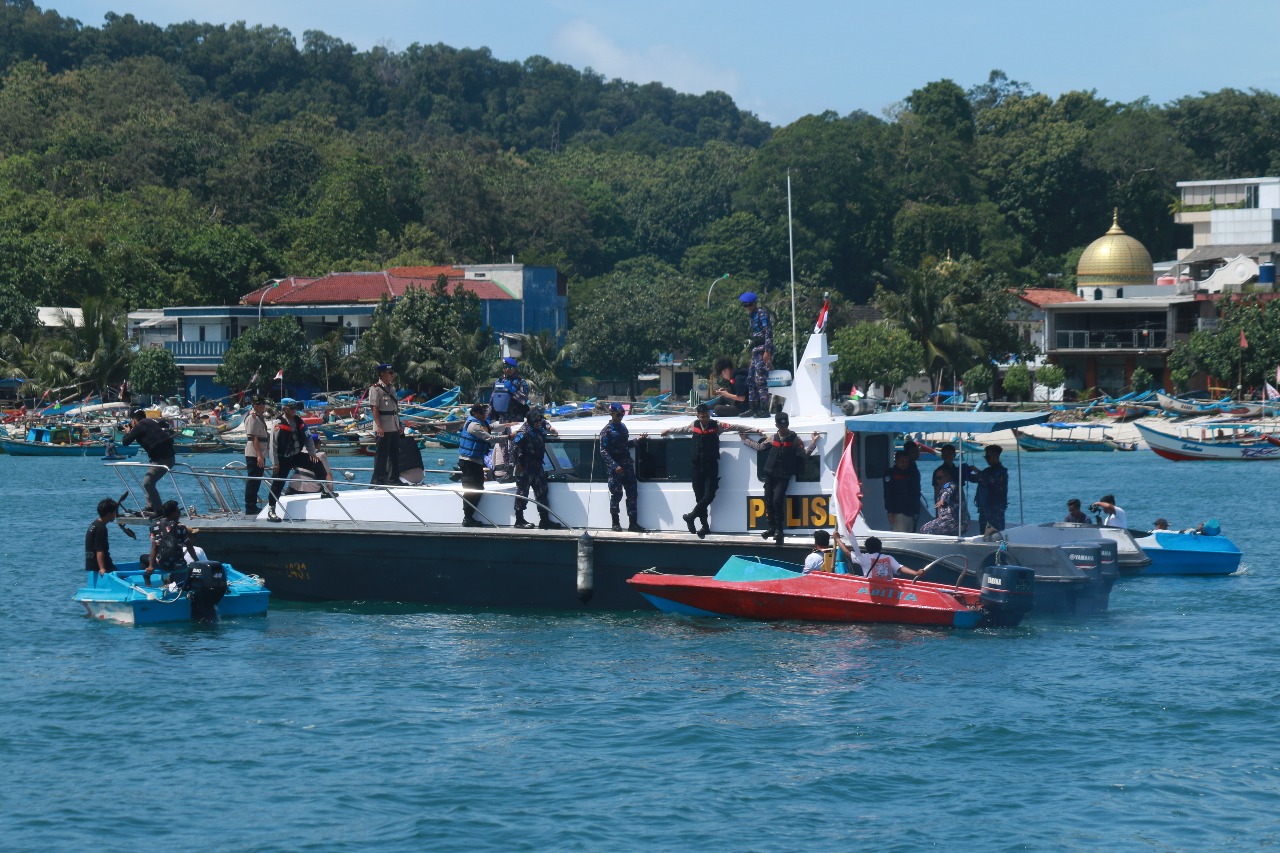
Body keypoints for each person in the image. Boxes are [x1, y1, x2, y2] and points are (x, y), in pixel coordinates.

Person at [661, 402, 751, 538]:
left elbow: (735, 426)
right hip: (696, 466)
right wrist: (669, 430)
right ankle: (704, 526)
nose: (705, 419)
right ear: (698, 416)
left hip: (710, 465)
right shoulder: (694, 425)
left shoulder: (717, 425)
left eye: (706, 416)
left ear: (709, 415)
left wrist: (755, 430)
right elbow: (682, 430)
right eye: (702, 417)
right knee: (699, 497)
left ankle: (691, 516)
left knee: (709, 495)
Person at [743, 412, 821, 545]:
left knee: (777, 501)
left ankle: (779, 530)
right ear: (777, 425)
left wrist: (813, 443)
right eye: (781, 426)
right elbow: (760, 447)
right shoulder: (772, 437)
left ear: (788, 425)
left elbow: (804, 455)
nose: (783, 428)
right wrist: (745, 439)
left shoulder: (795, 439)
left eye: (785, 426)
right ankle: (771, 528)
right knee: (768, 500)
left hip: (783, 476)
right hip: (770, 474)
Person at [267, 399, 325, 521]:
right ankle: (271, 509)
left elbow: (308, 438)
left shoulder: (299, 421)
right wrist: (275, 462)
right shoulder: (278, 423)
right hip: (283, 458)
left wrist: (312, 453)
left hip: (296, 456)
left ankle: (324, 490)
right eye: (291, 409)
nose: (294, 411)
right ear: (285, 409)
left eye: (295, 408)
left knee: (317, 464)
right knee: (277, 483)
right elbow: (273, 445)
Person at [458, 402, 509, 527]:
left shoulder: (481, 423)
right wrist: (509, 437)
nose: (484, 415)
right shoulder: (473, 426)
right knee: (471, 490)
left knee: (479, 488)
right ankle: (467, 518)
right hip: (468, 462)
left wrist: (507, 425)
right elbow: (489, 438)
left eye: (484, 412)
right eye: (481, 413)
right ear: (475, 413)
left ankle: (469, 516)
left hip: (476, 461)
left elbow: (492, 426)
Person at [511, 406, 562, 529]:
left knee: (542, 492)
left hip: (538, 466)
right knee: (523, 493)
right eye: (537, 421)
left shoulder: (539, 425)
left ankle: (544, 519)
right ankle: (519, 520)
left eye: (540, 421)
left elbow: (545, 422)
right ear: (531, 420)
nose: (539, 423)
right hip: (525, 467)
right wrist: (518, 465)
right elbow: (514, 449)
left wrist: (551, 428)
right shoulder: (523, 433)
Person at [600, 402, 649, 532]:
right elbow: (603, 451)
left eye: (622, 414)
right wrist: (614, 466)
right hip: (615, 468)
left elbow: (624, 445)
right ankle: (615, 523)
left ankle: (633, 523)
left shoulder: (623, 427)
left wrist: (637, 440)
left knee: (632, 494)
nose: (621, 417)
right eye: (618, 414)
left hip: (627, 465)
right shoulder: (607, 431)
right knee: (616, 494)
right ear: (612, 414)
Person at [120, 408, 176, 516]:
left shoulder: (140, 425)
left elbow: (125, 442)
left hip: (163, 459)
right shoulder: (150, 422)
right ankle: (150, 507)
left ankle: (158, 510)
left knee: (148, 482)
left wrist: (128, 432)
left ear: (134, 420)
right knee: (149, 480)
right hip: (166, 457)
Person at [146, 500, 199, 587]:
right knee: (182, 582)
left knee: (143, 559)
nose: (179, 514)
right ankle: (180, 586)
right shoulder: (181, 527)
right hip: (178, 565)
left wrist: (151, 566)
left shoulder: (155, 526)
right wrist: (197, 561)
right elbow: (189, 547)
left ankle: (148, 585)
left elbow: (154, 547)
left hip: (161, 563)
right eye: (178, 511)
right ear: (173, 513)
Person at [369, 363, 402, 486]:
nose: (392, 375)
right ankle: (378, 479)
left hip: (394, 424)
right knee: (381, 454)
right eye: (390, 373)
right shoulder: (375, 388)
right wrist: (379, 426)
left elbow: (395, 408)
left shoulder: (392, 388)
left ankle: (394, 478)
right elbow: (374, 408)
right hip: (383, 425)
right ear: (382, 374)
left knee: (394, 453)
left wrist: (400, 424)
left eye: (392, 373)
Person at [740, 291, 773, 416]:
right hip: (755, 349)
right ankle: (753, 407)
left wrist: (767, 350)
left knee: (760, 378)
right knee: (751, 378)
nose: (747, 308)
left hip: (764, 348)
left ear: (754, 303)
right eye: (745, 306)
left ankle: (764, 409)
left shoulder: (761, 314)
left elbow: (768, 332)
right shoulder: (752, 316)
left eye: (749, 305)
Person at [243, 396, 270, 515]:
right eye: (258, 404)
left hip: (260, 452)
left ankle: (253, 505)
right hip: (254, 453)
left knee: (257, 480)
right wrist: (259, 455)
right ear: (253, 405)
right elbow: (254, 437)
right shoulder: (252, 418)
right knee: (253, 480)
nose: (261, 406)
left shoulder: (259, 417)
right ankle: (250, 506)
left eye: (263, 404)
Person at [974, 444, 1009, 534]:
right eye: (986, 457)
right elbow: (977, 478)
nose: (986, 459)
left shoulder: (1001, 472)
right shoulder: (987, 471)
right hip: (985, 508)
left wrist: (976, 470)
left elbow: (990, 480)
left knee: (996, 533)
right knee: (983, 533)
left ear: (996, 456)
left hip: (996, 509)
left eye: (988, 457)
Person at [84, 497, 119, 586]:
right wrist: (102, 568)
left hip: (91, 564)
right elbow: (99, 549)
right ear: (109, 514)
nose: (115, 515)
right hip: (102, 565)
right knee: (122, 578)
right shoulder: (101, 528)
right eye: (114, 512)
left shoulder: (94, 524)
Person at [883, 451, 921, 533]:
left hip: (910, 511)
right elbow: (888, 494)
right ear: (896, 461)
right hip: (898, 511)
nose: (904, 464)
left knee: (911, 533)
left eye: (906, 462)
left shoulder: (911, 473)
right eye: (901, 462)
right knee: (900, 532)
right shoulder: (891, 474)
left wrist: (916, 509)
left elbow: (916, 493)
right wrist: (890, 512)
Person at [857, 535, 921, 579]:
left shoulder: (863, 557)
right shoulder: (888, 558)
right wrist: (915, 573)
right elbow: (900, 568)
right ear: (880, 547)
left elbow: (847, 553)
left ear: (867, 548)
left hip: (868, 590)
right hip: (886, 591)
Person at [489, 357, 530, 424]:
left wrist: (513, 390)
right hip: (502, 420)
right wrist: (488, 417)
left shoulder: (520, 382)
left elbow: (524, 400)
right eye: (505, 367)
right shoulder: (499, 381)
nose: (507, 369)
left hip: (516, 419)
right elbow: (492, 401)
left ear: (515, 369)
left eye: (510, 367)